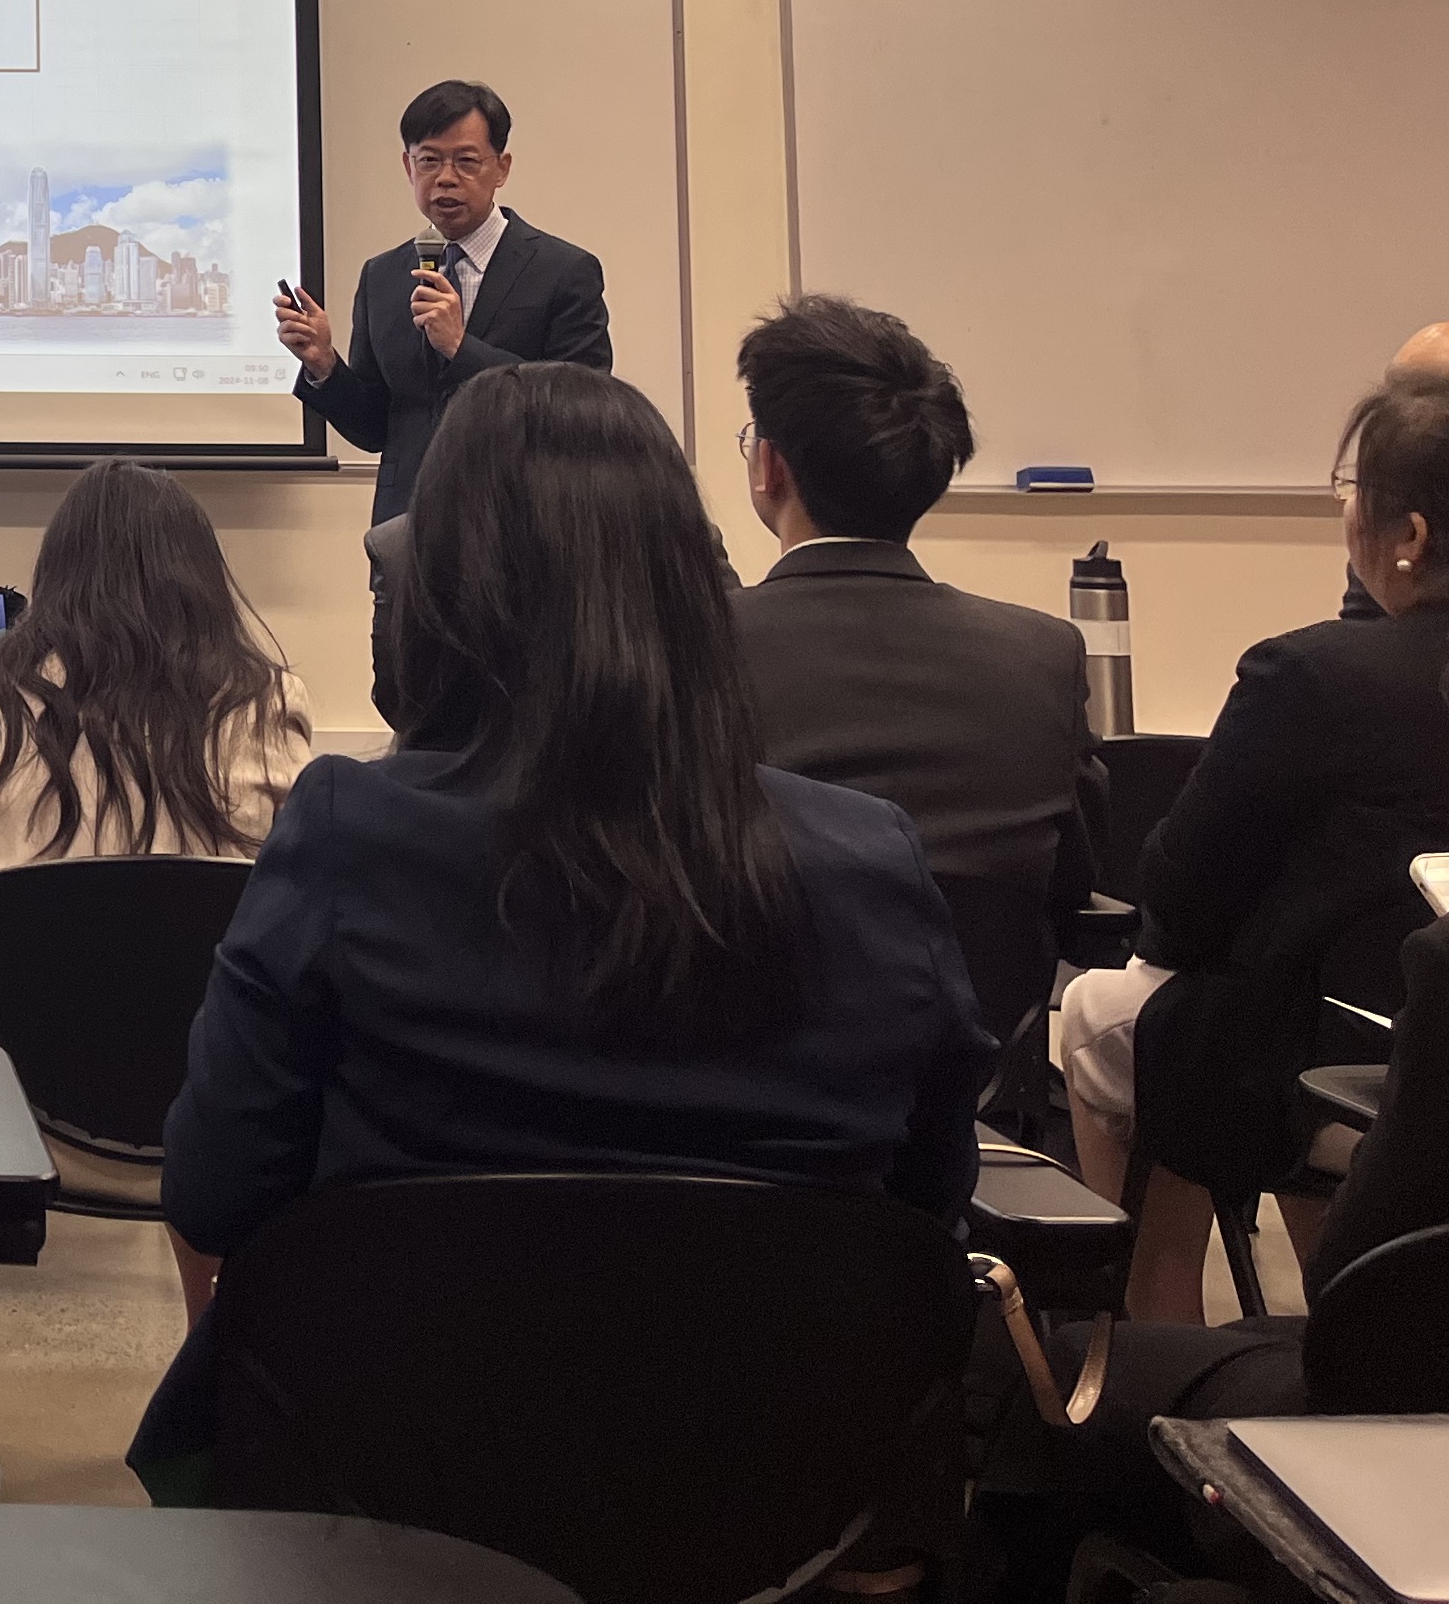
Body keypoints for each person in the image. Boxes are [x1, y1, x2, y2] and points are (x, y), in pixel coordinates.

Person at [142, 361, 986, 1496]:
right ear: (694, 581)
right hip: (780, 1499)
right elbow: (926, 1208)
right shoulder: (872, 856)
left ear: (440, 584)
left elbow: (213, 1190)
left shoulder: (350, 833)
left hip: (391, 1491)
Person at [1056, 372, 1449, 1319]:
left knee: (1103, 1014)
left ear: (1410, 536)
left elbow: (1180, 894)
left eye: (1355, 493)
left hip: (1347, 1059)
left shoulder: (1311, 673)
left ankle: (1151, 1340)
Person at [728, 294, 1096, 1039]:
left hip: (746, 1065)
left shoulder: (693, 644)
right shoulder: (1043, 655)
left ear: (770, 466)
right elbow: (1072, 884)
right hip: (969, 1070)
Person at [270, 80, 613, 721]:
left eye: (465, 161)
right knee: (408, 704)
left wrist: (462, 347)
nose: (445, 179)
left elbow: (584, 408)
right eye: (428, 161)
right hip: (410, 544)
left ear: (501, 168)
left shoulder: (563, 271)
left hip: (524, 540)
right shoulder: (383, 274)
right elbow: (379, 426)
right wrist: (324, 365)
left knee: (524, 713)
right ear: (408, 168)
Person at [0, 457, 309, 905]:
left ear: (54, 575)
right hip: (211, 953)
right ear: (201, 582)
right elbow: (297, 890)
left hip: (7, 952)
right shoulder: (268, 701)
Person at [1341, 320, 1449, 616]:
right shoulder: (1390, 516)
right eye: (1394, 390)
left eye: (1432, 395)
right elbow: (1360, 626)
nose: (1403, 409)